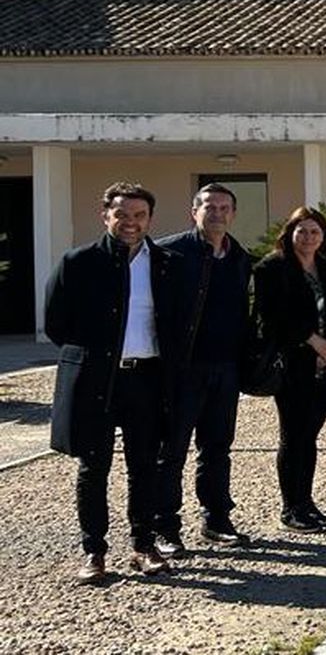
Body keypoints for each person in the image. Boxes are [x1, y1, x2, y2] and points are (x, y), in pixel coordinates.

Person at [45, 183, 182, 583]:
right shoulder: (79, 262)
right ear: (106, 215)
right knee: (93, 467)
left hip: (148, 379)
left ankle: (143, 546)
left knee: (145, 467)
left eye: (139, 215)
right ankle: (94, 551)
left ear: (149, 219)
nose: (130, 223)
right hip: (98, 380)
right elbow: (57, 323)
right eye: (122, 215)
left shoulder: (166, 263)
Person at [152, 183, 254, 554]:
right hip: (183, 369)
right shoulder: (169, 253)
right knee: (172, 450)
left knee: (217, 447)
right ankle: (164, 527)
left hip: (225, 367)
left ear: (233, 214)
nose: (217, 213)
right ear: (193, 211)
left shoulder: (240, 257)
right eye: (209, 207)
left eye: (225, 208)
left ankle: (216, 519)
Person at [254, 207, 326, 533]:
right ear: (290, 232)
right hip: (292, 364)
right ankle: (290, 507)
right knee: (293, 435)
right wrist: (312, 341)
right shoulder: (273, 268)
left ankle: (307, 502)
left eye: (314, 232)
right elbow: (271, 317)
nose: (308, 237)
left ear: (323, 236)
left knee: (310, 435)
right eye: (302, 231)